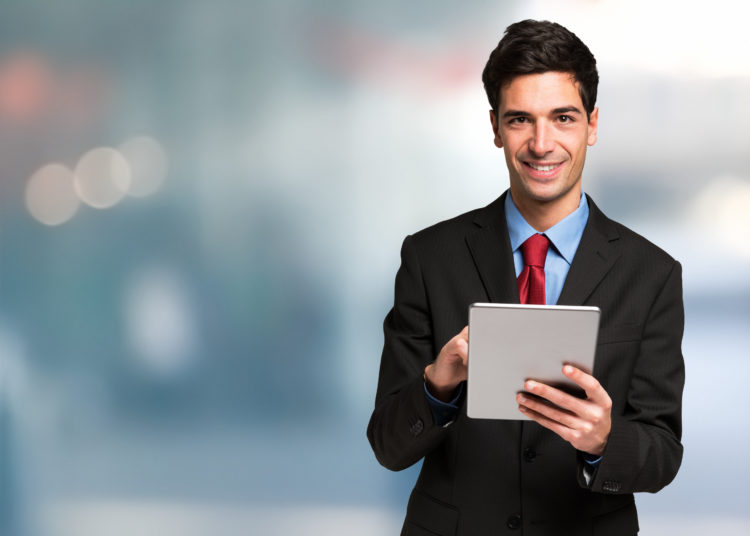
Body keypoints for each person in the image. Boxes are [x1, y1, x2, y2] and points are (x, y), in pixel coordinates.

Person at [367, 19, 684, 536]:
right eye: (520, 120)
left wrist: (605, 440)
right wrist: (437, 386)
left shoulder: (651, 274)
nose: (542, 143)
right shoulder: (430, 258)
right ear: (495, 127)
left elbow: (662, 454)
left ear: (592, 125)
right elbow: (387, 445)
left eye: (563, 118)